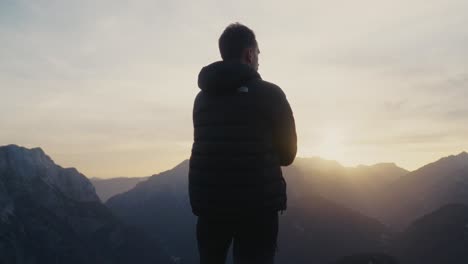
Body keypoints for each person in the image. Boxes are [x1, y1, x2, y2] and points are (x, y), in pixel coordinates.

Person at [189, 22, 297, 264]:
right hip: (257, 208)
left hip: (210, 206)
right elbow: (288, 155)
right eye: (258, 53)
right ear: (249, 54)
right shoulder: (271, 94)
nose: (259, 59)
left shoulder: (201, 99)